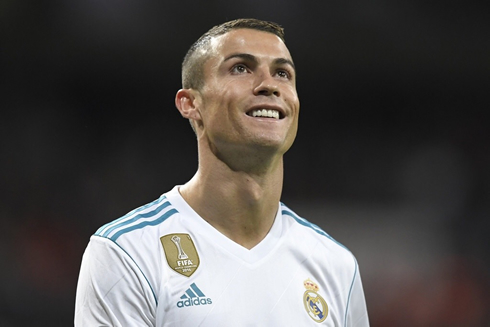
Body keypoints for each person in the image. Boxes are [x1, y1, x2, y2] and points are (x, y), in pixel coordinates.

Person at [75, 18, 369, 326]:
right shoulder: (128, 252)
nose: (269, 85)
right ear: (190, 103)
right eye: (240, 68)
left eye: (282, 73)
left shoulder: (336, 266)